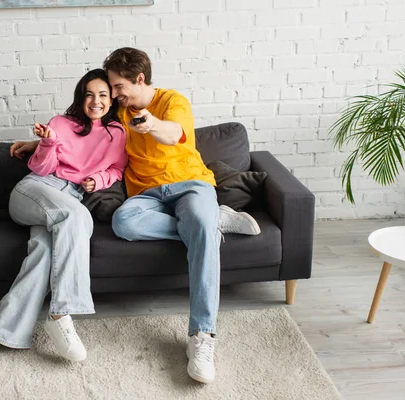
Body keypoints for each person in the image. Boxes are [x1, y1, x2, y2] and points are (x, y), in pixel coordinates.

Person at [103, 48, 260, 384]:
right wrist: (38, 144)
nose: (115, 93)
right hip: (146, 194)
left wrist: (150, 124)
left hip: (191, 185)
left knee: (199, 225)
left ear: (139, 78)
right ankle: (212, 222)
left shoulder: (173, 100)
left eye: (118, 86)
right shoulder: (116, 111)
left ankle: (202, 336)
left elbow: (174, 133)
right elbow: (81, 134)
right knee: (123, 221)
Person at [0, 68, 128, 379]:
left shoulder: (117, 133)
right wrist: (47, 143)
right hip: (37, 191)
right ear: (81, 97)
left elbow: (117, 170)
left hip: (71, 199)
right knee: (78, 217)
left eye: (103, 95)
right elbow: (39, 167)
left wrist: (99, 178)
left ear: (111, 100)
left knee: (42, 254)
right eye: (89, 94)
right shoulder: (60, 124)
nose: (96, 101)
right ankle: (61, 312)